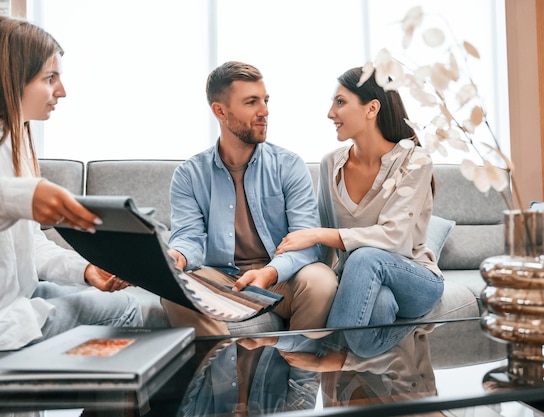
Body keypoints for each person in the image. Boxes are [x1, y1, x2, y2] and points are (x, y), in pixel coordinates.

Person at [275, 66, 444, 357]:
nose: (330, 113)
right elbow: (326, 253)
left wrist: (317, 234)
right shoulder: (331, 164)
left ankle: (331, 355)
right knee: (378, 303)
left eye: (340, 102)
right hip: (360, 281)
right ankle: (362, 390)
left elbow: (393, 238)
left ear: (371, 108)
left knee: (365, 257)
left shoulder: (415, 161)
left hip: (414, 278)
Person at [0, 16, 143, 351]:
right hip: (7, 319)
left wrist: (87, 270)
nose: (61, 91)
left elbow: (32, 245)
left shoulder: (16, 142)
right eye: (50, 78)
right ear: (12, 77)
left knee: (125, 305)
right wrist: (24, 197)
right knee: (126, 314)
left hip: (20, 299)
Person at [164, 61, 337, 336]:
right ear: (220, 110)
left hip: (280, 278)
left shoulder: (289, 165)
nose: (264, 111)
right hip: (222, 277)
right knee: (175, 286)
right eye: (251, 102)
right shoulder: (189, 174)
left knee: (321, 280)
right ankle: (218, 369)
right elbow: (189, 238)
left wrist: (269, 273)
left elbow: (306, 242)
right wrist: (177, 257)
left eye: (265, 100)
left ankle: (298, 373)